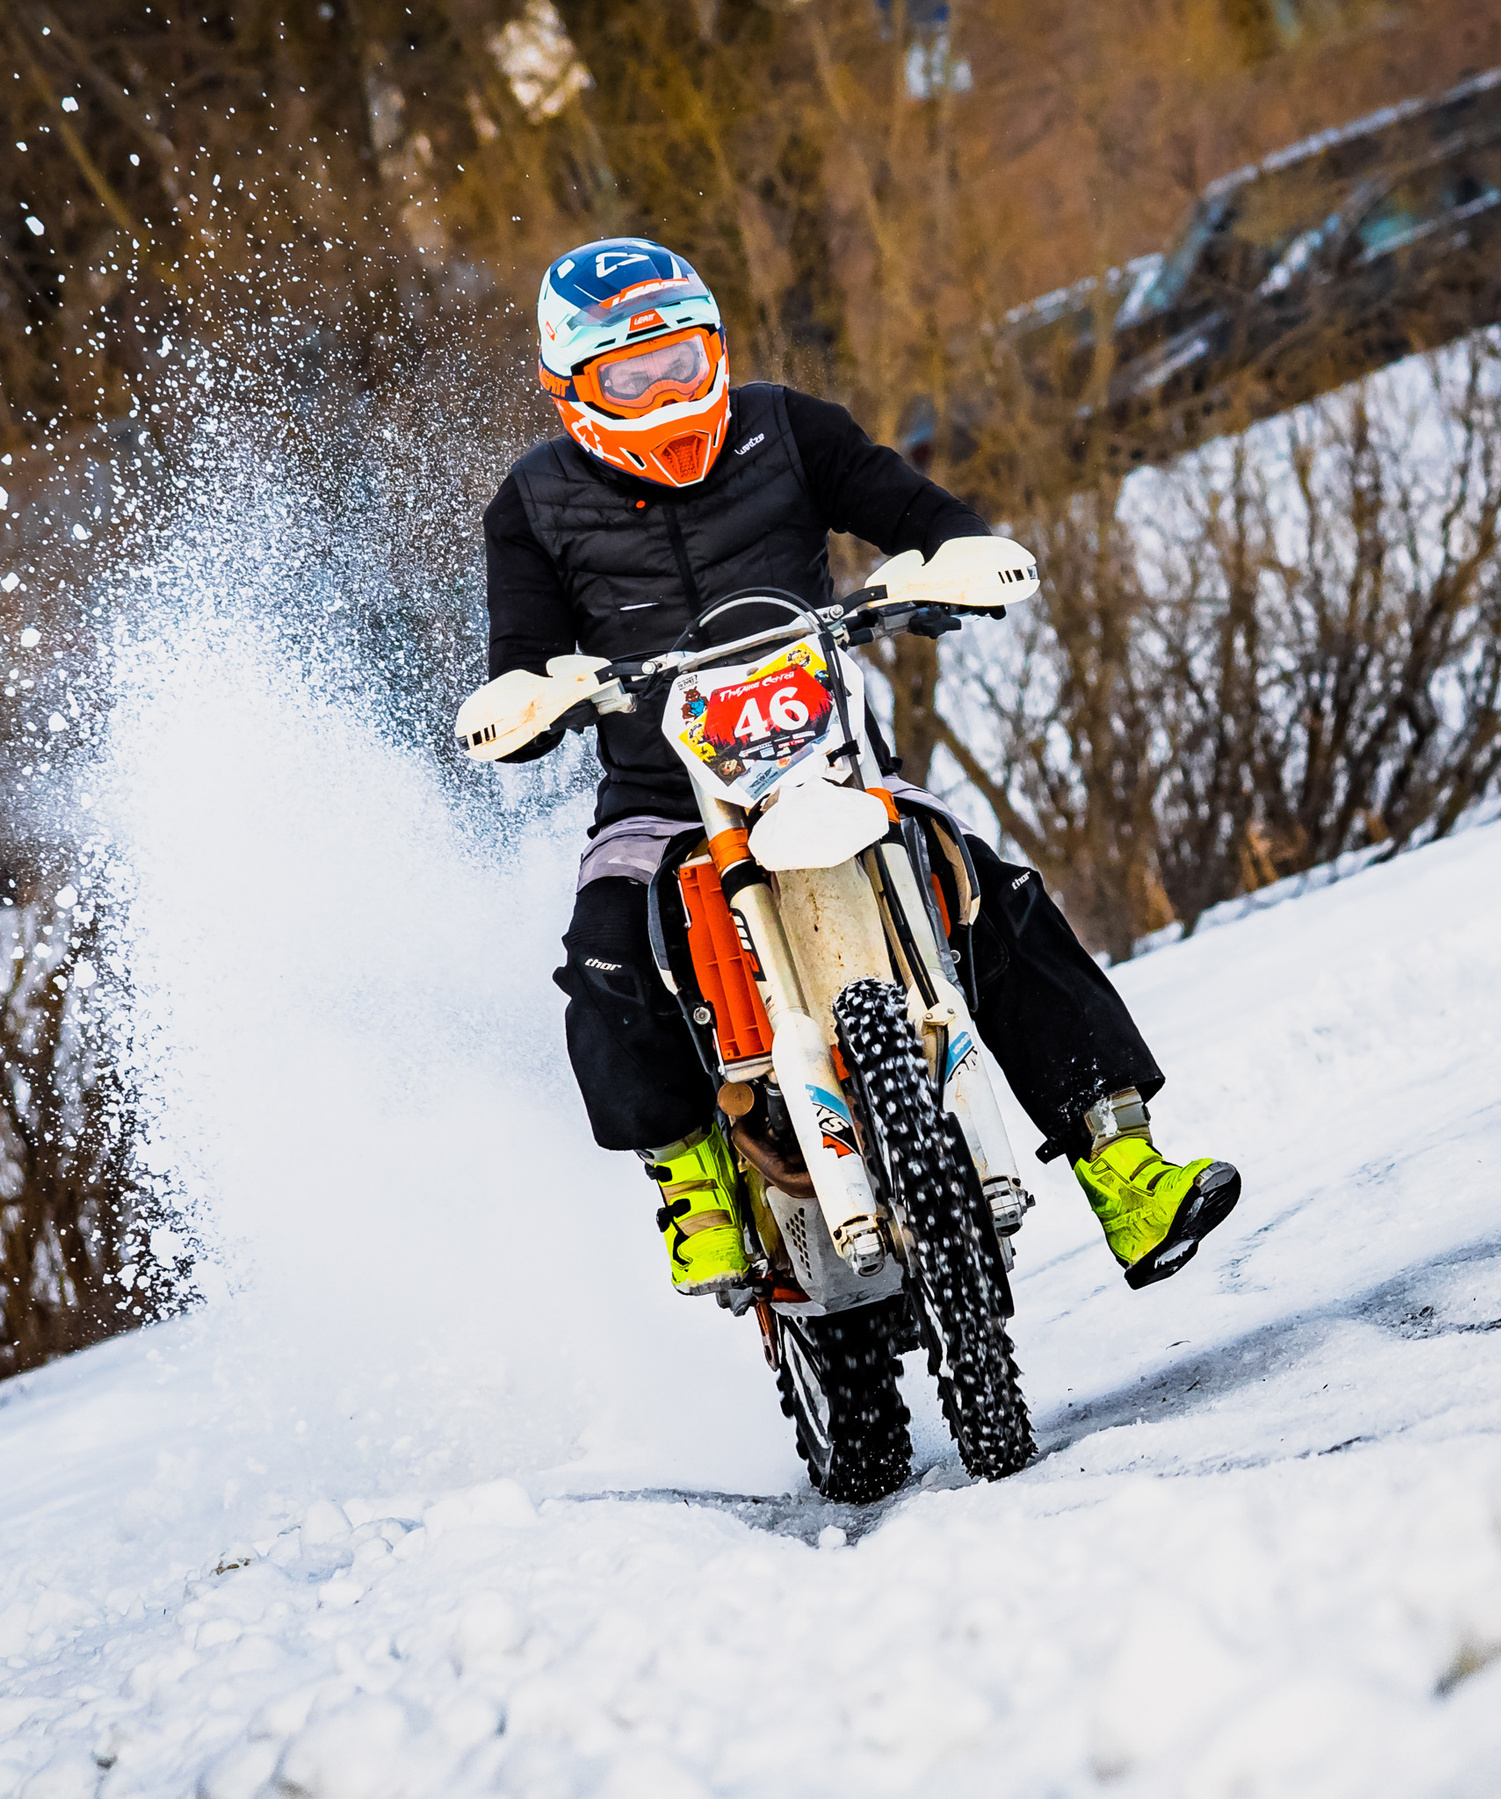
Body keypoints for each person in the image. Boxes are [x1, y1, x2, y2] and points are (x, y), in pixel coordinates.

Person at [481, 236, 1240, 1297]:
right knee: (608, 950)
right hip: (663, 793)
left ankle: (1122, 1164)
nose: (663, 389)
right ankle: (691, 1178)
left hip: (830, 760)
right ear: (575, 389)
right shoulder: (535, 500)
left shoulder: (789, 427)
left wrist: (954, 563)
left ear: (717, 347)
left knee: (992, 894)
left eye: (682, 359)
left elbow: (921, 515)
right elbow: (517, 652)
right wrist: (528, 697)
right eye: (629, 373)